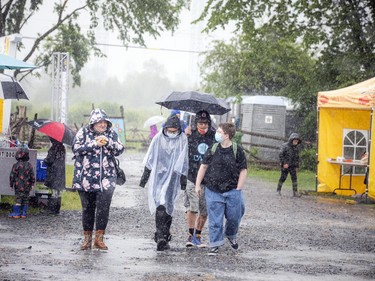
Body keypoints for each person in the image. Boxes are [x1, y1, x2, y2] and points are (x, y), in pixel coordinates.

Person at [72, 108, 125, 251]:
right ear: (93, 123)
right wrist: (93, 144)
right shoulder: (83, 132)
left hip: (106, 179)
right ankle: (86, 239)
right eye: (99, 122)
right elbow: (75, 148)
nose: (103, 125)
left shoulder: (111, 134)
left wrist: (108, 143)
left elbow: (120, 149)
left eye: (105, 122)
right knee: (87, 209)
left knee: (103, 209)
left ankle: (99, 239)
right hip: (85, 179)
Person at [195, 123, 248, 256]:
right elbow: (203, 166)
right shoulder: (213, 148)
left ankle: (230, 234)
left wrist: (238, 189)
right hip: (213, 190)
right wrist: (197, 185)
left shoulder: (238, 150)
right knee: (215, 220)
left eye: (219, 132)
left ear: (227, 135)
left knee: (234, 217)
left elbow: (243, 170)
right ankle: (215, 244)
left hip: (232, 190)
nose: (216, 134)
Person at [139, 114, 188, 252]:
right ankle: (160, 236)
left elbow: (184, 161)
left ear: (178, 130)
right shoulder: (158, 138)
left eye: (174, 131)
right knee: (160, 204)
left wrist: (183, 180)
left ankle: (165, 234)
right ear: (165, 128)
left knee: (168, 207)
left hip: (173, 178)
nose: (172, 134)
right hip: (158, 177)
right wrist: (144, 179)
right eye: (170, 131)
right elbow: (150, 159)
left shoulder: (183, 140)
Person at [183, 110, 215, 248]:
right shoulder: (190, 135)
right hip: (191, 176)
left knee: (204, 210)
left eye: (205, 123)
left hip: (208, 179)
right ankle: (190, 235)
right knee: (193, 207)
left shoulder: (214, 137)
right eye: (200, 123)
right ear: (196, 124)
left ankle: (198, 235)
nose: (203, 126)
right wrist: (185, 136)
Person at [8, 147, 36, 219]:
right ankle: (23, 213)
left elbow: (12, 176)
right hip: (27, 185)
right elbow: (32, 175)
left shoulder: (16, 165)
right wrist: (32, 184)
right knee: (26, 199)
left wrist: (11, 185)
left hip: (18, 185)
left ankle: (16, 213)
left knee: (18, 199)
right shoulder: (29, 165)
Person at [43, 137, 66, 215]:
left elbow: (49, 160)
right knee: (58, 191)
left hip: (54, 172)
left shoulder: (54, 148)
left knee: (54, 191)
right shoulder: (62, 147)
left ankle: (52, 210)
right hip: (61, 172)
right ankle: (57, 210)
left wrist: (45, 160)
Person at [277, 132, 302, 197]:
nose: (296, 142)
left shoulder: (296, 148)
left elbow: (297, 157)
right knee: (283, 178)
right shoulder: (285, 146)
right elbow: (281, 155)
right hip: (285, 165)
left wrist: (297, 165)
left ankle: (295, 192)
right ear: (291, 140)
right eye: (295, 140)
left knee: (294, 179)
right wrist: (284, 163)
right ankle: (278, 190)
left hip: (293, 166)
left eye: (297, 141)